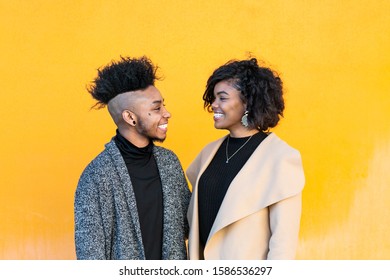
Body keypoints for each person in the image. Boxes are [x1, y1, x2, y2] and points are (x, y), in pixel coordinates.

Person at [186, 57, 305, 260]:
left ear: (248, 102)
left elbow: (283, 245)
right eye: (213, 98)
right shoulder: (208, 153)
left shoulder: (281, 158)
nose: (213, 105)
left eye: (222, 98)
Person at [74, 56, 191, 260]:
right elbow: (90, 257)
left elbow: (189, 226)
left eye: (164, 105)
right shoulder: (96, 177)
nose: (167, 113)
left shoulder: (169, 163)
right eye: (156, 108)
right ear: (130, 117)